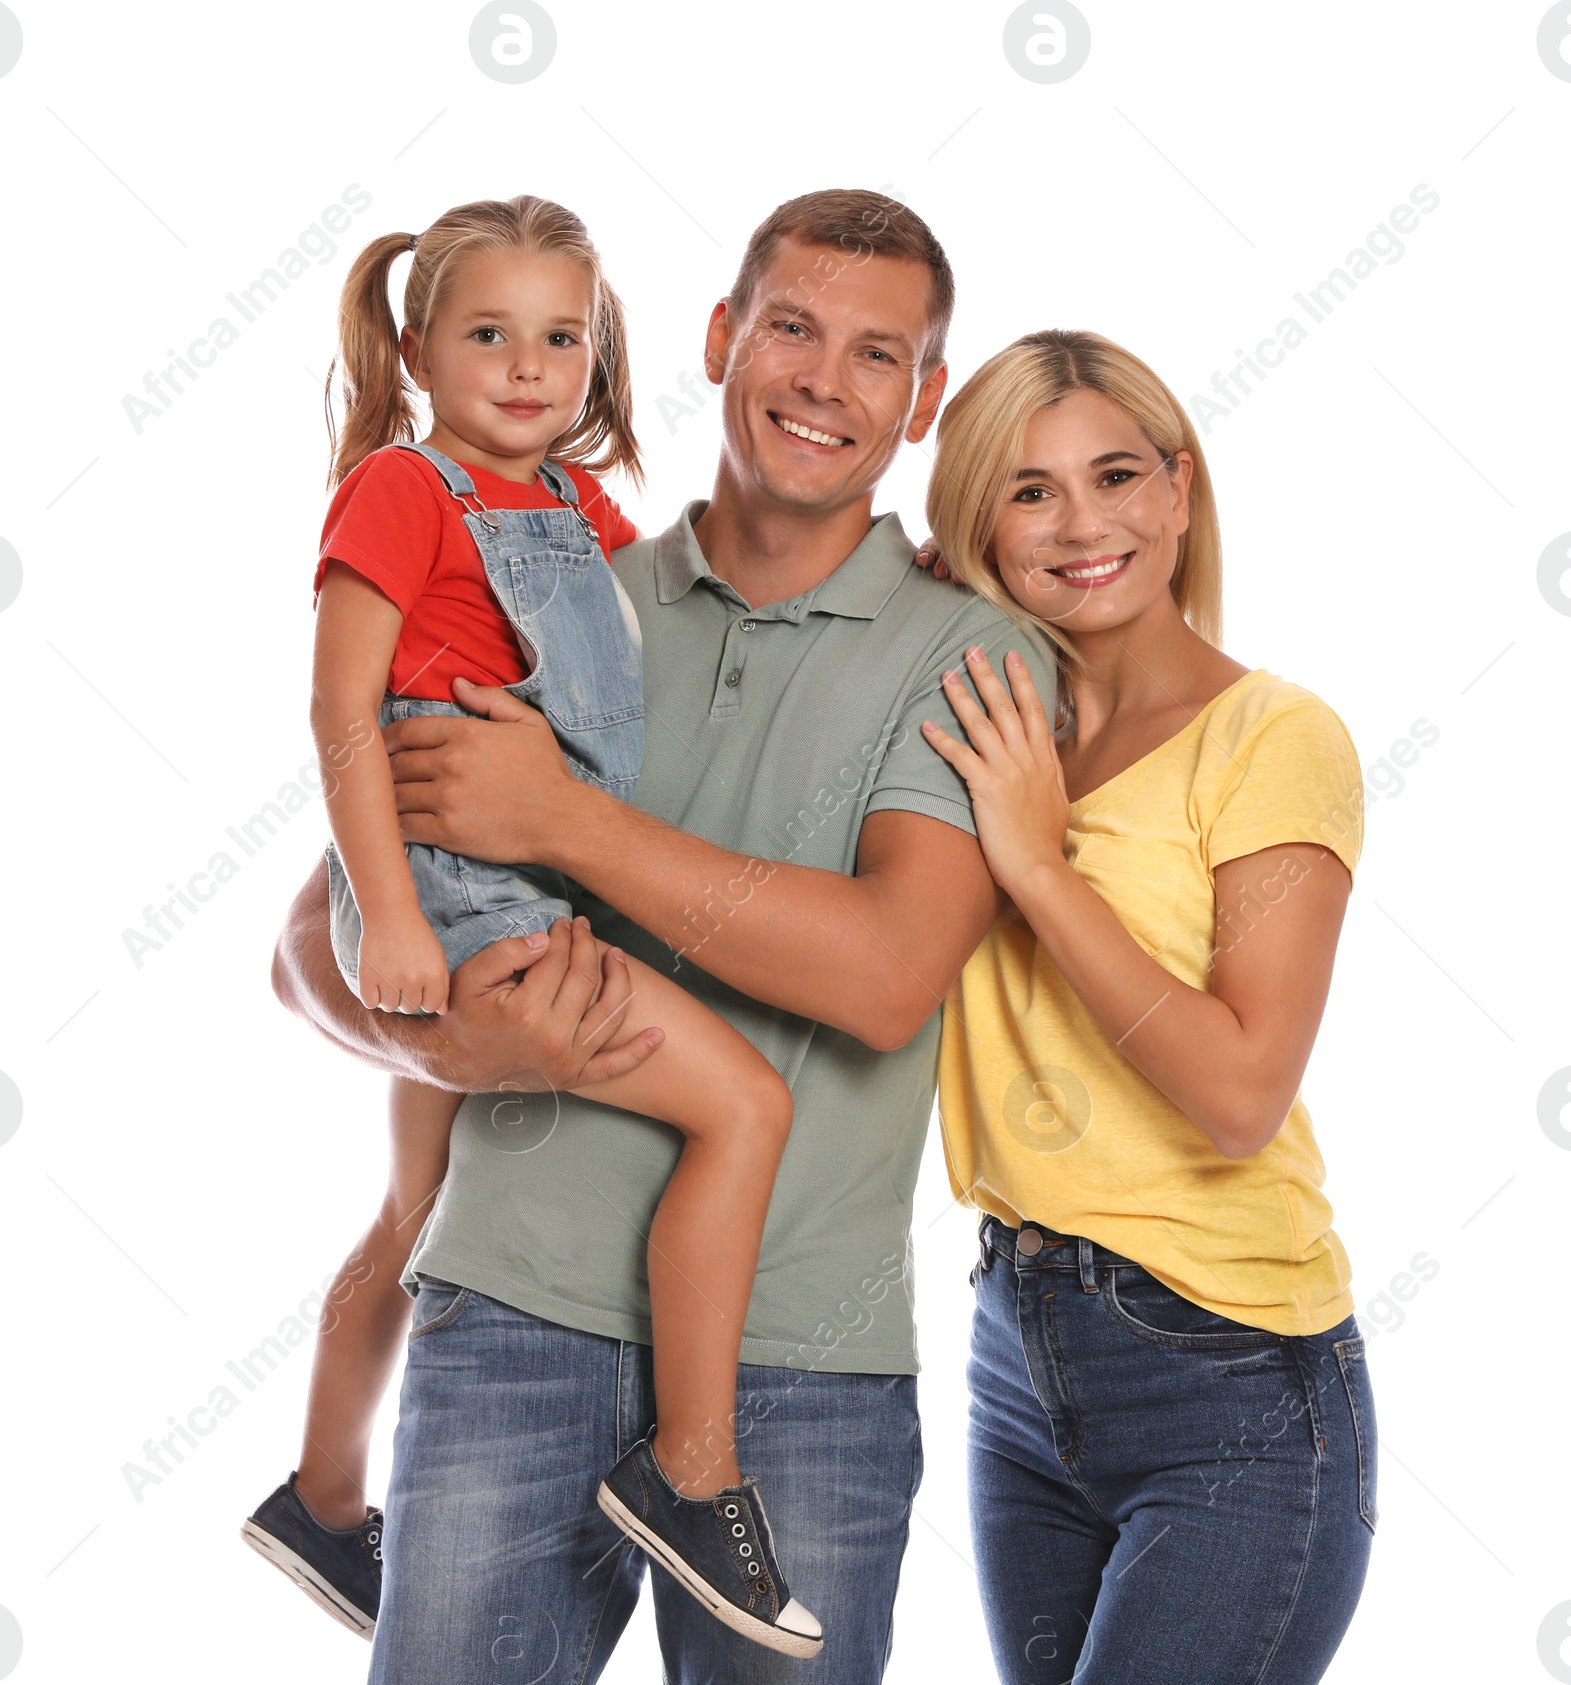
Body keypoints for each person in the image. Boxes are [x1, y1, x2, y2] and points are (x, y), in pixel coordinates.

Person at [268, 189, 1060, 1684]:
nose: (825, 381)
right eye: (792, 329)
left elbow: (889, 975)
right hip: (509, 1319)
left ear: (925, 399)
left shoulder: (976, 650)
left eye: (877, 355)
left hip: (807, 1366)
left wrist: (563, 823)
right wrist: (436, 1029)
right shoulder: (557, 588)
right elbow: (311, 940)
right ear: (719, 337)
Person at [240, 193, 820, 1659]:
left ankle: (322, 1499)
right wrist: (386, 926)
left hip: (528, 864)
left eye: (559, 338)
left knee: (416, 1213)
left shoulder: (570, 505)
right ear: (422, 346)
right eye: (487, 334)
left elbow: (674, 610)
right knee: (744, 1104)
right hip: (451, 882)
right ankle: (690, 1472)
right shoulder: (401, 488)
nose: (526, 366)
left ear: (598, 356)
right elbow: (344, 714)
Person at [920, 329, 1376, 1684]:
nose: (1081, 524)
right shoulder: (984, 726)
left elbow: (1242, 1092)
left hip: (1229, 1368)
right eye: (1029, 488)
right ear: (978, 521)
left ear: (1179, 492)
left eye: (1116, 475)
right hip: (1017, 1347)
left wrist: (1039, 872)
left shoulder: (1275, 738)